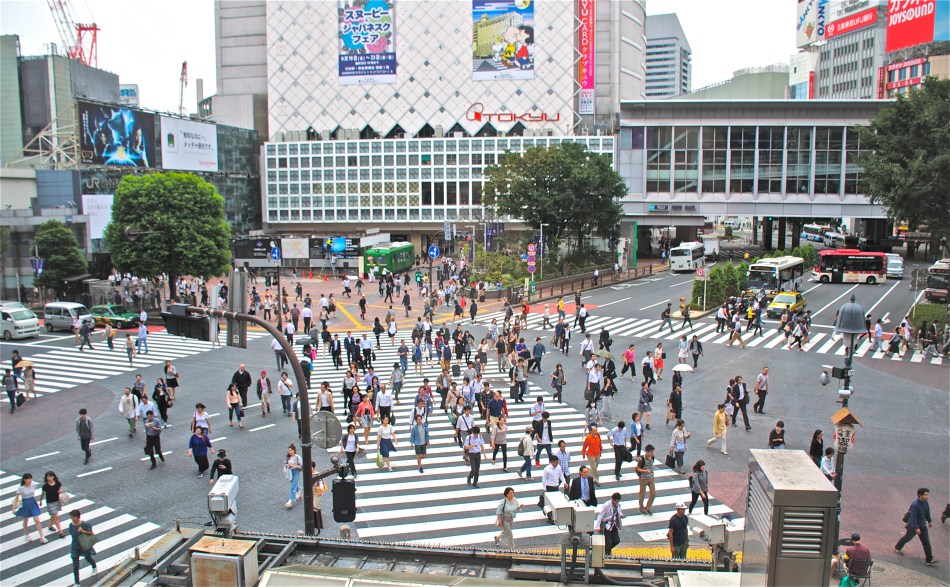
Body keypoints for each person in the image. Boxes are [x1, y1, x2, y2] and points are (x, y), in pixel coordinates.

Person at [895, 487, 936, 565]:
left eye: (927, 495)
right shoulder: (915, 505)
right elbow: (913, 517)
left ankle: (929, 560)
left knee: (926, 542)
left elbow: (927, 513)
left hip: (923, 526)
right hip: (913, 526)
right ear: (920, 495)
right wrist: (916, 528)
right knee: (908, 538)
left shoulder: (926, 503)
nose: (927, 496)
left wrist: (929, 521)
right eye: (925, 495)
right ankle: (897, 547)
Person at [11, 473, 46, 543]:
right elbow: (16, 498)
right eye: (28, 479)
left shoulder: (33, 484)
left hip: (32, 502)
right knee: (25, 520)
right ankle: (26, 534)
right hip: (25, 504)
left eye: (31, 478)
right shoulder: (20, 488)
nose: (30, 480)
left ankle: (42, 537)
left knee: (37, 520)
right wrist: (13, 508)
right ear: (24, 480)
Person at [68, 509, 97, 584]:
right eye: (71, 517)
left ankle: (94, 566)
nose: (72, 519)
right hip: (75, 547)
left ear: (77, 517)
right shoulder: (71, 525)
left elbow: (91, 533)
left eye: (73, 517)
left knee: (88, 558)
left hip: (83, 546)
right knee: (75, 566)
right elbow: (71, 534)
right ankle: (77, 582)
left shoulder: (84, 524)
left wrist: (82, 531)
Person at [39, 471, 66, 538]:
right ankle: (60, 532)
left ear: (53, 476)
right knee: (56, 516)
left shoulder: (57, 483)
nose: (49, 478)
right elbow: (42, 494)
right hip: (50, 503)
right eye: (48, 477)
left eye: (51, 476)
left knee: (53, 515)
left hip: (57, 501)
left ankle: (50, 526)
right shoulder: (45, 486)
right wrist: (40, 501)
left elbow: (60, 487)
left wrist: (60, 490)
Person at [636, 444, 656, 515]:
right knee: (642, 494)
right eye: (651, 452)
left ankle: (647, 508)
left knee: (653, 494)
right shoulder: (642, 459)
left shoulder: (653, 457)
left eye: (653, 452)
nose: (652, 453)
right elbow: (637, 468)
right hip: (643, 478)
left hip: (651, 478)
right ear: (646, 452)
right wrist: (645, 471)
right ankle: (641, 508)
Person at [284, 444, 303, 508]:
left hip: (296, 472)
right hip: (290, 472)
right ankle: (299, 490)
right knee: (293, 483)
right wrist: (288, 466)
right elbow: (285, 464)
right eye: (288, 450)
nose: (289, 452)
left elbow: (301, 466)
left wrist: (296, 466)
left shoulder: (297, 457)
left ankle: (290, 500)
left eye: (291, 450)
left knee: (293, 486)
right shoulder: (287, 457)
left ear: (294, 450)